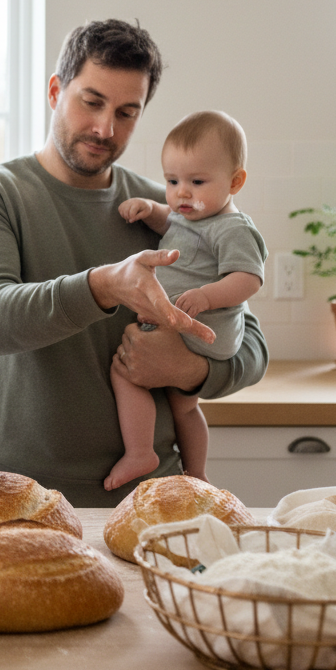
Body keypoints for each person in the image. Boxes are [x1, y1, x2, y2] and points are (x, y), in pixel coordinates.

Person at [0, 19, 268, 507]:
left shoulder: (168, 208)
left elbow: (253, 347)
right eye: (91, 102)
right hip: (12, 493)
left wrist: (189, 371)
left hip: (151, 495)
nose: (105, 128)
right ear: (56, 91)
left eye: (126, 112)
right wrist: (103, 286)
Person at [104, 110, 267, 491]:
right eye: (172, 181)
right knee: (184, 405)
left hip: (202, 328)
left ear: (235, 181)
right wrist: (151, 210)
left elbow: (248, 279)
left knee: (125, 372)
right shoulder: (190, 216)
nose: (182, 193)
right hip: (186, 325)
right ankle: (197, 472)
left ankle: (140, 451)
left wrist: (207, 296)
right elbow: (171, 224)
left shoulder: (232, 228)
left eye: (196, 181)